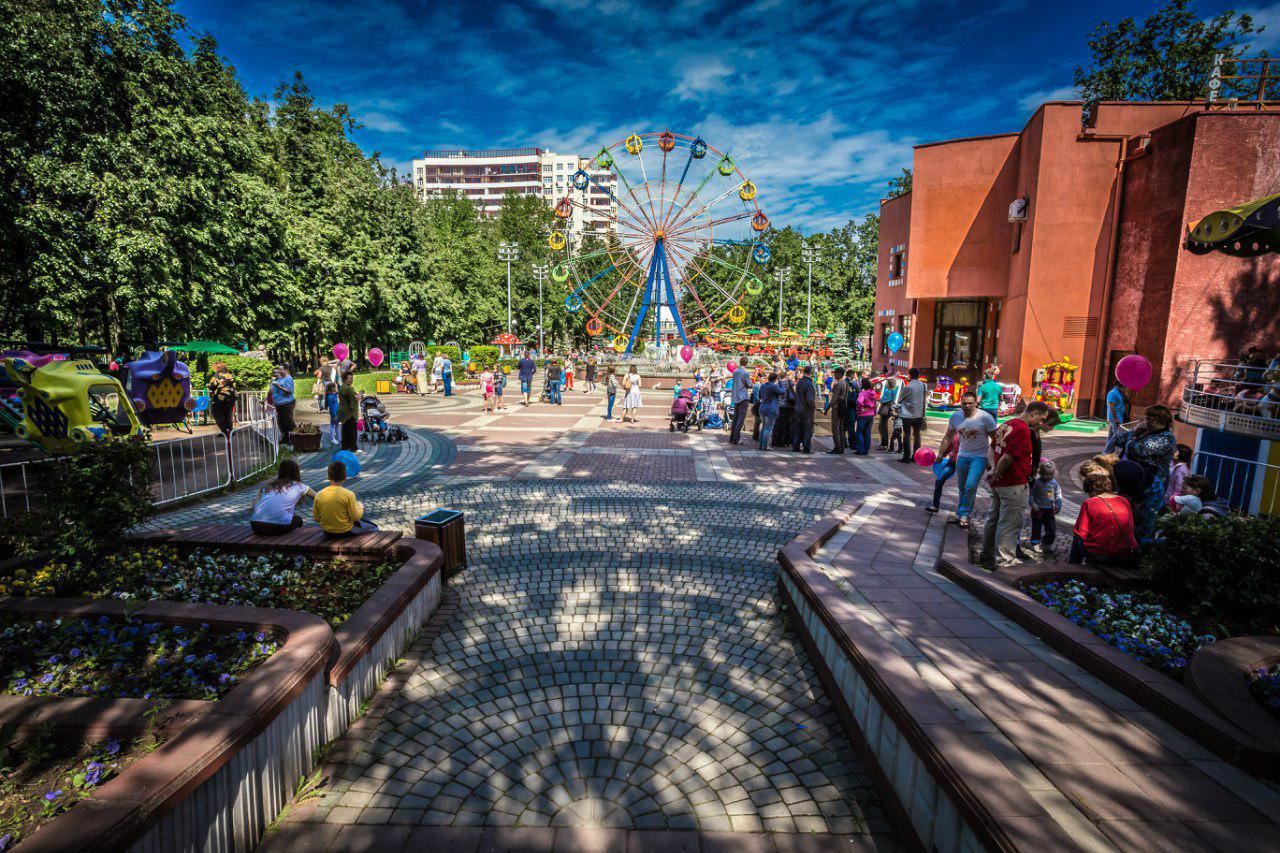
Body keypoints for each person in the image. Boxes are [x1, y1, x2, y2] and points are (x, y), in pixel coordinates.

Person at [980, 401, 1050, 569]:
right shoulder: (1022, 430)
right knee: (1009, 523)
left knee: (993, 519)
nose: (1041, 423)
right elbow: (1007, 457)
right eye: (1041, 419)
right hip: (1013, 483)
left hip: (1000, 483)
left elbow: (991, 448)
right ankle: (1005, 561)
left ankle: (987, 554)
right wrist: (997, 473)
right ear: (1033, 413)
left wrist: (993, 470)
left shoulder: (1007, 424)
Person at [937, 391, 997, 527]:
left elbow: (996, 439)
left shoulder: (985, 418)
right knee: (962, 488)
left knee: (970, 486)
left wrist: (993, 460)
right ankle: (960, 514)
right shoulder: (956, 417)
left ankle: (964, 514)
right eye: (964, 403)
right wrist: (940, 453)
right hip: (962, 456)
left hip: (980, 457)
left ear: (976, 403)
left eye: (971, 403)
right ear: (961, 403)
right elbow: (948, 436)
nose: (967, 406)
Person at [1121, 404, 1176, 543]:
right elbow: (1119, 439)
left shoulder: (1167, 438)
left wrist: (1132, 439)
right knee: (1129, 515)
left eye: (1149, 419)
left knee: (1145, 519)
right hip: (1137, 480)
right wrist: (1133, 436)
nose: (1146, 421)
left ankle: (1140, 550)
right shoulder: (1147, 432)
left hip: (1153, 486)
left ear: (1158, 421)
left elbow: (1140, 450)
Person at [1068, 470, 1137, 567]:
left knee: (1077, 535)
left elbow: (1081, 533)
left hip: (1099, 555)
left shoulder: (1089, 503)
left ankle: (1073, 566)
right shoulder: (1124, 501)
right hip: (1125, 554)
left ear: (1091, 489)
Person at [250, 459, 315, 535]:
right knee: (298, 520)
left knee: (288, 518)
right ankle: (292, 542)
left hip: (255, 525)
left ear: (280, 471)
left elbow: (253, 507)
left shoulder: (268, 486)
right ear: (296, 472)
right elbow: (319, 497)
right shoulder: (300, 486)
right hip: (277, 527)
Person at [314, 460, 378, 537]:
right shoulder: (348, 494)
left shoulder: (319, 494)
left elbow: (316, 518)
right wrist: (360, 507)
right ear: (344, 477)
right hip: (345, 531)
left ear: (328, 477)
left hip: (327, 532)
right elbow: (356, 517)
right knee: (374, 527)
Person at [1027, 460, 1063, 554]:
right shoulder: (1036, 483)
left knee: (1051, 529)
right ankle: (1035, 543)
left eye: (1051, 474)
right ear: (1040, 473)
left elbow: (1058, 493)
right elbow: (1031, 495)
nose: (1048, 477)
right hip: (1038, 510)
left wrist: (1058, 504)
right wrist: (1034, 505)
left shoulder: (1054, 483)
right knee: (1036, 528)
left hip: (1049, 510)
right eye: (1046, 474)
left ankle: (1046, 544)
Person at [896, 368, 928, 463]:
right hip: (919, 414)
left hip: (907, 415)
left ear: (910, 375)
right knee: (917, 435)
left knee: (907, 435)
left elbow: (900, 399)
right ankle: (916, 456)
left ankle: (906, 456)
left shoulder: (908, 387)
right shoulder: (924, 385)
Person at [926, 431, 960, 514]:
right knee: (939, 480)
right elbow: (949, 446)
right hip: (952, 463)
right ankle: (935, 505)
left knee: (964, 487)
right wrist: (941, 456)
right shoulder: (955, 433)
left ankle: (962, 513)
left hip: (964, 463)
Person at [791, 366, 817, 453]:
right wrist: (813, 407)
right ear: (811, 373)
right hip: (806, 410)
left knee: (797, 429)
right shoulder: (809, 384)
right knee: (807, 430)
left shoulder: (799, 382)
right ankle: (806, 448)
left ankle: (795, 447)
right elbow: (809, 399)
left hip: (798, 408)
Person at [207, 362, 237, 437]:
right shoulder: (229, 375)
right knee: (227, 414)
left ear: (217, 368)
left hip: (221, 397)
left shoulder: (216, 376)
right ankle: (230, 431)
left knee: (217, 414)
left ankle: (224, 430)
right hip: (232, 397)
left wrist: (208, 385)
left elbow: (212, 386)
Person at [270, 365, 296, 444]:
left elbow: (289, 392)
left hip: (286, 403)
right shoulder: (281, 378)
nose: (279, 371)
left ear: (285, 370)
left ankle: (294, 439)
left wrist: (278, 386)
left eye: (281, 369)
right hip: (279, 404)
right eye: (278, 369)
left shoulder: (289, 379)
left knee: (289, 422)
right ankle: (285, 439)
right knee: (281, 422)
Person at [728, 362, 752, 444]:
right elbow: (749, 384)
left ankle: (732, 438)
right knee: (740, 419)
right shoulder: (745, 372)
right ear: (746, 363)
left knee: (735, 418)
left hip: (735, 397)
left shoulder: (735, 371)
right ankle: (736, 439)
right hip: (743, 397)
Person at [758, 372, 782, 451]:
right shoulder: (773, 386)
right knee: (768, 429)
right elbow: (783, 392)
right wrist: (780, 383)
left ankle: (761, 445)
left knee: (763, 427)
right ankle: (766, 446)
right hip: (771, 409)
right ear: (775, 379)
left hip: (762, 408)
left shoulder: (763, 386)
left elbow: (759, 396)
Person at [826, 368, 849, 455]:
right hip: (844, 407)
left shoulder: (838, 384)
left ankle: (837, 447)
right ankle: (842, 447)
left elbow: (834, 399)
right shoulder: (846, 383)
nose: (834, 375)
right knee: (841, 429)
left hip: (837, 408)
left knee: (835, 428)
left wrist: (827, 408)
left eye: (835, 373)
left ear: (839, 374)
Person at [853, 378, 878, 456]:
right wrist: (874, 412)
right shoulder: (873, 392)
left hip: (863, 414)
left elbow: (859, 402)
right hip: (871, 414)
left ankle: (860, 450)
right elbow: (875, 403)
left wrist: (860, 409)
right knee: (867, 432)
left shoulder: (862, 393)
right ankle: (866, 450)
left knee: (859, 432)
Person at [1103, 382, 1129, 454]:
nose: (1125, 388)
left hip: (1118, 416)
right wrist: (1116, 419)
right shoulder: (1113, 393)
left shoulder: (1119, 393)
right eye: (1124, 386)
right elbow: (1111, 407)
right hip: (1115, 418)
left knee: (1111, 435)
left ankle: (1108, 452)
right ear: (1120, 385)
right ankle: (1106, 452)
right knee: (1117, 435)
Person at [1166, 444, 1192, 509]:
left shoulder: (1182, 469)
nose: (1172, 452)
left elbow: (1180, 489)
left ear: (1181, 454)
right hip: (1168, 500)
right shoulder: (1175, 466)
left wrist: (1173, 503)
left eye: (1175, 451)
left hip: (1172, 503)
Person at [337, 373, 359, 452]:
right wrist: (359, 397)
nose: (351, 380)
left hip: (343, 412)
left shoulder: (342, 387)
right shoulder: (349, 389)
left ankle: (345, 447)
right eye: (349, 378)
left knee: (345, 430)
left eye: (352, 378)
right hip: (350, 413)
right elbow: (353, 401)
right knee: (352, 431)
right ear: (345, 379)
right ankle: (353, 447)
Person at [877, 375, 898, 450]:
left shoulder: (889, 391)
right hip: (888, 409)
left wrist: (879, 399)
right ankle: (884, 443)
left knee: (882, 427)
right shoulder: (894, 390)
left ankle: (884, 444)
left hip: (885, 409)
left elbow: (882, 400)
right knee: (883, 426)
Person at [325, 381, 340, 446]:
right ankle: (332, 439)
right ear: (332, 388)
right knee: (333, 426)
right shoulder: (330, 397)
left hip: (337, 413)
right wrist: (334, 416)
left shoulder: (334, 395)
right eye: (336, 387)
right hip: (334, 414)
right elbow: (331, 408)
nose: (337, 388)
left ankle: (339, 438)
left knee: (337, 426)